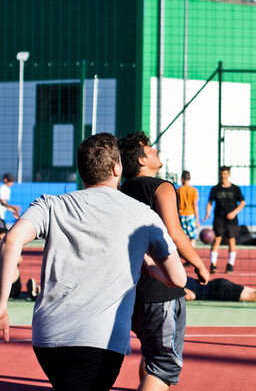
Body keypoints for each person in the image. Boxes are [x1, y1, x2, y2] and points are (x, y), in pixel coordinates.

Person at [0, 133, 186, 391]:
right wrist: (150, 267)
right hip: (100, 340)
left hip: (47, 338)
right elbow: (178, 278)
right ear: (117, 168)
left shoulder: (51, 204)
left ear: (81, 171)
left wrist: (1, 304)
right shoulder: (143, 214)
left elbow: (11, 241)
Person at [118, 132, 211, 391]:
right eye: (149, 149)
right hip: (160, 289)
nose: (155, 150)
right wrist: (199, 264)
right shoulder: (161, 187)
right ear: (140, 160)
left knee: (151, 355)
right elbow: (175, 233)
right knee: (163, 367)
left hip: (130, 288)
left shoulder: (120, 191)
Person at [204, 166, 245, 274]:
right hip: (219, 218)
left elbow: (242, 203)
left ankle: (230, 265)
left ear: (228, 175)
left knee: (231, 240)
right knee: (217, 239)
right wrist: (207, 213)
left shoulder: (235, 188)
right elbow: (210, 202)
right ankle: (213, 264)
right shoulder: (215, 189)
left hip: (231, 219)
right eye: (221, 174)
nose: (223, 176)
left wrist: (234, 213)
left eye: (225, 174)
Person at [178, 171, 200, 248]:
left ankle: (185, 252)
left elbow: (177, 204)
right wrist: (197, 220)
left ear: (182, 179)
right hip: (191, 215)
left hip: (181, 215)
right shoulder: (194, 190)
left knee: (184, 237)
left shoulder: (178, 190)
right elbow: (195, 205)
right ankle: (192, 251)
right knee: (192, 237)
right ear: (190, 178)